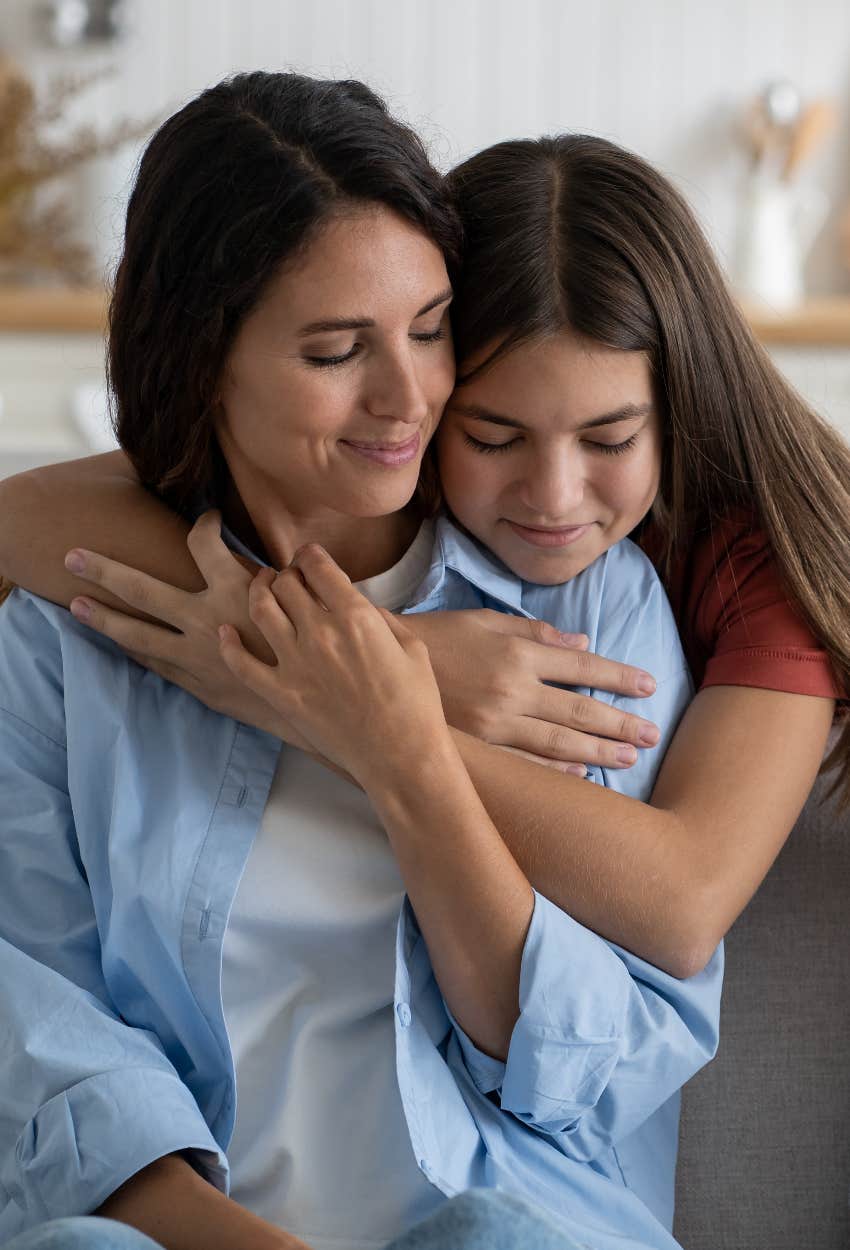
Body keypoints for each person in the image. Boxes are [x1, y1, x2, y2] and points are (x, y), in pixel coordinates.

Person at [0, 73, 721, 1250]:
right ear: (203, 357)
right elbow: (37, 1040)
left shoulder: (588, 606)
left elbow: (592, 1071)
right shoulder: (63, 635)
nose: (408, 398)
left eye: (431, 331)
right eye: (339, 350)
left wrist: (398, 744)